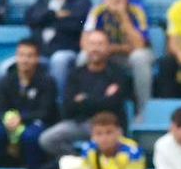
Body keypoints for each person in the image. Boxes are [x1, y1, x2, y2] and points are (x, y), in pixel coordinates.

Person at [41, 29, 132, 158]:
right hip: (81, 123)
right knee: (47, 139)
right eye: (92, 44)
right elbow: (68, 107)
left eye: (100, 44)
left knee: (111, 138)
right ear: (85, 47)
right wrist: (101, 98)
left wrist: (84, 99)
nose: (95, 48)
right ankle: (79, 161)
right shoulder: (75, 74)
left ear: (108, 47)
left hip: (109, 125)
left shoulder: (118, 73)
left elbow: (113, 104)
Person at [0, 38, 58, 169]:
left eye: (29, 56)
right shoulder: (6, 81)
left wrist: (21, 118)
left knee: (31, 137)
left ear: (37, 58)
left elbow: (46, 112)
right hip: (11, 124)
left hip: (36, 123)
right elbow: (0, 111)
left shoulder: (47, 81)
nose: (25, 60)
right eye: (21, 55)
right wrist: (7, 120)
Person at [83, 0, 153, 115]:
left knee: (139, 58)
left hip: (131, 55)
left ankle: (144, 110)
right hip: (106, 54)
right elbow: (85, 41)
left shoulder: (138, 9)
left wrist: (122, 16)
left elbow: (140, 45)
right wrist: (101, 51)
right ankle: (85, 106)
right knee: (83, 57)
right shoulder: (97, 10)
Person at [24, 0, 90, 97]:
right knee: (11, 64)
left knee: (59, 60)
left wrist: (45, 18)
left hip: (67, 50)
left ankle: (58, 104)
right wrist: (55, 15)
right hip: (40, 51)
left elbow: (78, 23)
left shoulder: (82, 0)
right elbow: (31, 18)